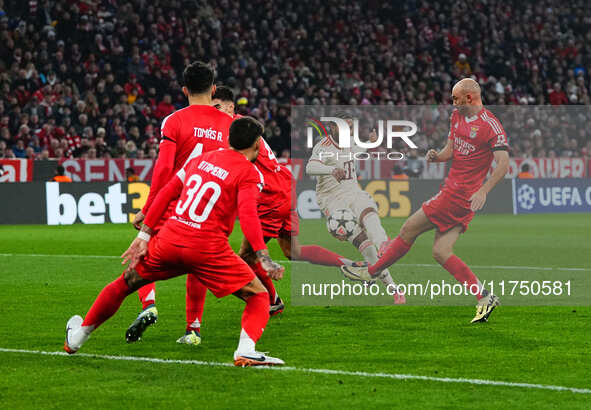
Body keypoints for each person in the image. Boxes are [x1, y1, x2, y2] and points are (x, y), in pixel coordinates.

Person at [64, 117, 286, 366]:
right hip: (208, 248)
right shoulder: (250, 173)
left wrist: (144, 235)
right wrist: (263, 257)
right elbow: (247, 214)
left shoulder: (199, 160)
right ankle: (245, 349)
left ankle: (76, 339)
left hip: (170, 239)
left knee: (125, 283)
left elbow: (167, 191)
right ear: (257, 144)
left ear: (228, 139)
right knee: (258, 296)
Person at [175, 87, 362, 343]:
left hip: (269, 196)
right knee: (292, 251)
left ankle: (270, 301)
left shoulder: (234, 128)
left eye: (217, 107)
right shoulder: (244, 126)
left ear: (231, 107)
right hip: (283, 184)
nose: (213, 112)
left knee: (244, 258)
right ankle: (350, 264)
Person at [342, 78, 510, 323]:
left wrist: (484, 190)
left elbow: (503, 164)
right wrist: (437, 157)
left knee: (408, 229)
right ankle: (483, 296)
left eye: (455, 98)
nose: (452, 102)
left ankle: (372, 272)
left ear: (470, 98)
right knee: (441, 252)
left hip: (458, 195)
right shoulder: (456, 117)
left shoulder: (490, 125)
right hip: (458, 196)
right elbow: (450, 150)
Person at [126, 61, 234, 345]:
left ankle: (148, 304)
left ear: (184, 89)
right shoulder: (230, 124)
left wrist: (148, 209)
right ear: (213, 90)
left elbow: (163, 170)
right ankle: (193, 329)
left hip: (175, 202)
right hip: (209, 205)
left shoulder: (174, 120)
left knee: (141, 251)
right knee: (198, 264)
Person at [306, 114, 405, 303]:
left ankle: (384, 245)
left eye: (351, 128)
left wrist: (371, 142)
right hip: (332, 200)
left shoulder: (350, 141)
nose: (349, 131)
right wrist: (331, 170)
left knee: (370, 215)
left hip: (353, 192)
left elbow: (359, 148)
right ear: (333, 128)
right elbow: (310, 167)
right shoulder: (323, 147)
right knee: (365, 246)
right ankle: (391, 285)